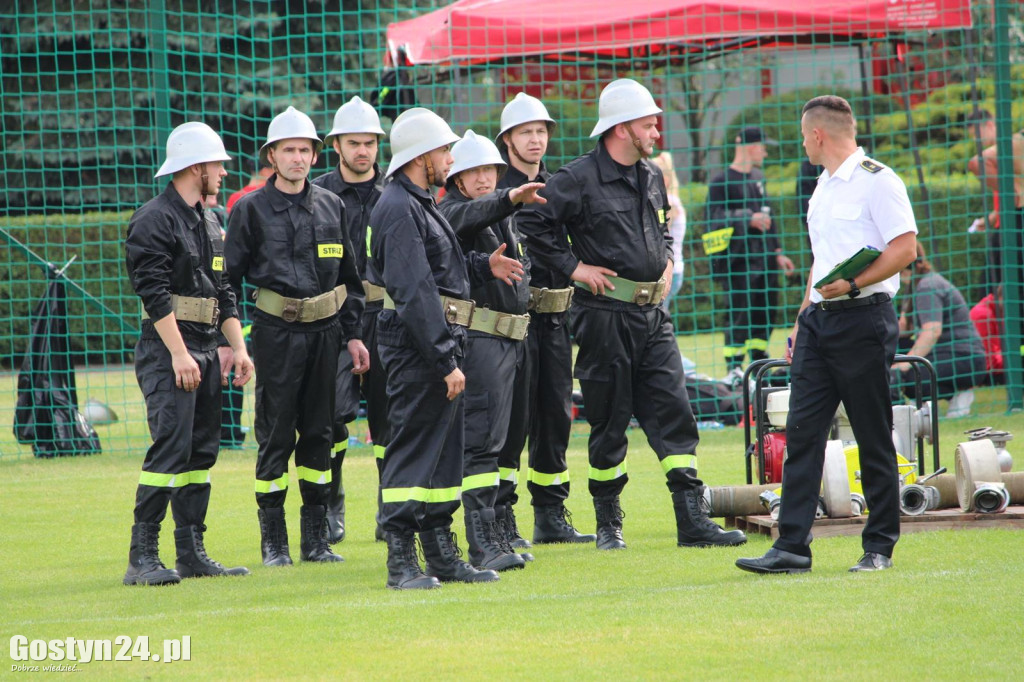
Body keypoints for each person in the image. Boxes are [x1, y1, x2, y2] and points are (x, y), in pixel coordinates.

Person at [517, 78, 747, 551]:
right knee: (609, 420)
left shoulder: (652, 175)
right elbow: (531, 222)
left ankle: (692, 521)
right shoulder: (575, 178)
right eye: (648, 124)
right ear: (621, 129)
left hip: (653, 316)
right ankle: (608, 524)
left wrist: (666, 260)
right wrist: (574, 267)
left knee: (676, 413)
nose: (657, 131)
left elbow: (662, 229)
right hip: (603, 317)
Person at [737, 95, 918, 575]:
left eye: (803, 135)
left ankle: (878, 546)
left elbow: (905, 248)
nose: (802, 143)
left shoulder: (880, 181)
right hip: (820, 321)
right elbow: (823, 259)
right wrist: (802, 319)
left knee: (873, 434)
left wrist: (856, 282)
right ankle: (791, 547)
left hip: (863, 319)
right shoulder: (821, 185)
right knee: (802, 432)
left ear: (818, 134)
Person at [368, 107, 524, 589]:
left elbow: (438, 268)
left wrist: (481, 268)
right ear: (420, 155)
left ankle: (440, 555)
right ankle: (401, 563)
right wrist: (444, 358)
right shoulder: (398, 207)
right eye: (444, 150)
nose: (451, 158)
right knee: (414, 452)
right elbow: (414, 291)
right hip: (420, 348)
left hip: (437, 343)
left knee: (443, 456)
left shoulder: (418, 202)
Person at [224, 106, 369, 567]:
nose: (299, 158)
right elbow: (228, 280)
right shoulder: (249, 209)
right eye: (289, 150)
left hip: (327, 334)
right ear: (272, 155)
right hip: (276, 334)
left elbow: (349, 278)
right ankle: (274, 544)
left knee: (320, 435)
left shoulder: (332, 205)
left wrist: (353, 336)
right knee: (275, 435)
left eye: (305, 150)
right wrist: (231, 341)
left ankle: (316, 541)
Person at [123, 122, 254, 585]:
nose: (222, 172)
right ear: (196, 167)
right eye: (217, 164)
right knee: (170, 448)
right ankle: (142, 557)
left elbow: (224, 293)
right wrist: (179, 355)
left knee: (201, 451)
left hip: (205, 347)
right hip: (168, 351)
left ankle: (191, 553)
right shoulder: (152, 220)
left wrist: (237, 348)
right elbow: (155, 295)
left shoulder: (212, 220)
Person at [438, 129, 545, 571]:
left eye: (490, 171)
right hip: (479, 340)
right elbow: (468, 217)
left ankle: (499, 532)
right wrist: (508, 199)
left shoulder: (504, 215)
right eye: (473, 171)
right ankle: (482, 543)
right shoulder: (453, 211)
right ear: (457, 180)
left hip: (512, 341)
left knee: (505, 447)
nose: (484, 178)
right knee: (481, 445)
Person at [495, 92, 595, 547]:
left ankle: (551, 515)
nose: (535, 140)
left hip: (555, 319)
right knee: (512, 422)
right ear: (507, 140)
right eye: (525, 133)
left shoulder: (560, 186)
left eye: (540, 132)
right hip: (512, 325)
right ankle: (502, 518)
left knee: (556, 417)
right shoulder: (495, 190)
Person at [312, 96, 388, 544]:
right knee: (332, 419)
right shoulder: (317, 196)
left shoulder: (397, 192)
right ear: (336, 145)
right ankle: (330, 505)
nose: (363, 151)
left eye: (370, 143)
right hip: (334, 321)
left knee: (390, 419)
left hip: (385, 318)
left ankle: (390, 507)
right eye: (353, 143)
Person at [705, 126, 795, 386]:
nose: (765, 152)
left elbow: (770, 218)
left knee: (765, 313)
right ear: (747, 146)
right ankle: (734, 368)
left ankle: (759, 363)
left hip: (765, 261)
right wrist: (747, 218)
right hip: (738, 263)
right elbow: (712, 220)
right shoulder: (721, 182)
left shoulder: (758, 177)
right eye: (762, 146)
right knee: (739, 314)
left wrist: (778, 252)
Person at [894, 244, 987, 418]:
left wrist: (906, 364)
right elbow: (904, 329)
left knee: (909, 376)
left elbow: (932, 331)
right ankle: (954, 394)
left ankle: (959, 394)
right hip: (948, 355)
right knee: (898, 354)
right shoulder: (914, 285)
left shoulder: (927, 286)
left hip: (965, 358)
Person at [650, 152, 686, 311]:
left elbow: (661, 237)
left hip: (668, 269)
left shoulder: (669, 202)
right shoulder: (671, 199)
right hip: (672, 267)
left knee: (658, 321)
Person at [970, 284, 1005, 382]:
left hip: (999, 366)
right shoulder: (984, 316)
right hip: (983, 373)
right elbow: (989, 363)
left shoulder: (1000, 313)